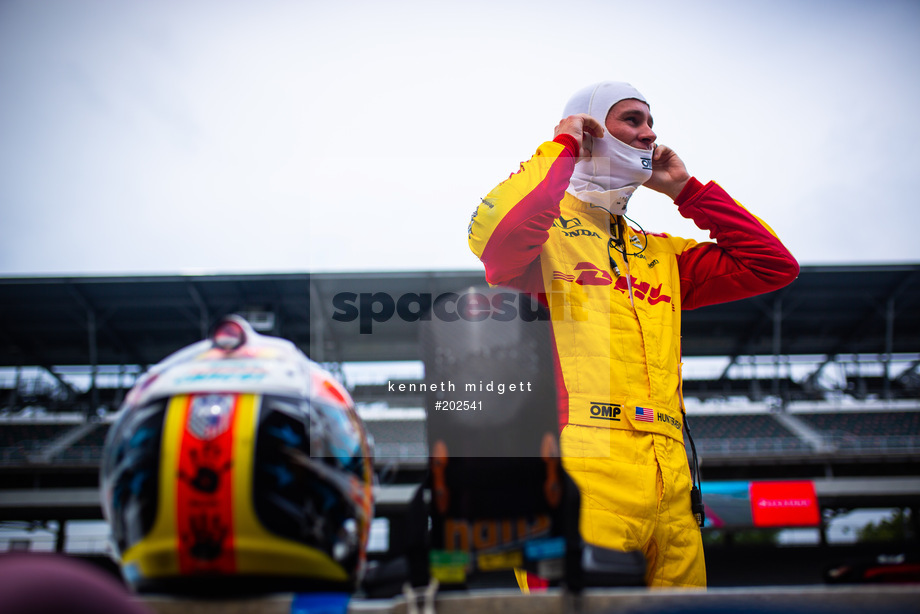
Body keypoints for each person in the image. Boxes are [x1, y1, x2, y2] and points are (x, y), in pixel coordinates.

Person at [467, 81, 799, 589]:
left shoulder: (663, 254)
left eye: (651, 121)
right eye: (633, 120)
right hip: (576, 465)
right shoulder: (542, 236)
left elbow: (772, 265)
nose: (650, 133)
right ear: (592, 126)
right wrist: (564, 145)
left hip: (673, 475)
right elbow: (497, 236)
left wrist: (689, 192)